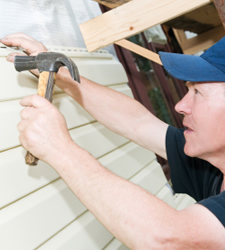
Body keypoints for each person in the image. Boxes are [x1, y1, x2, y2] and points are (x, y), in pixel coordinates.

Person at [1, 33, 225, 249]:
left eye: (198, 93)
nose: (180, 106)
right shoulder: (212, 166)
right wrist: (60, 74)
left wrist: (59, 149)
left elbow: (170, 241)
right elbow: (138, 123)